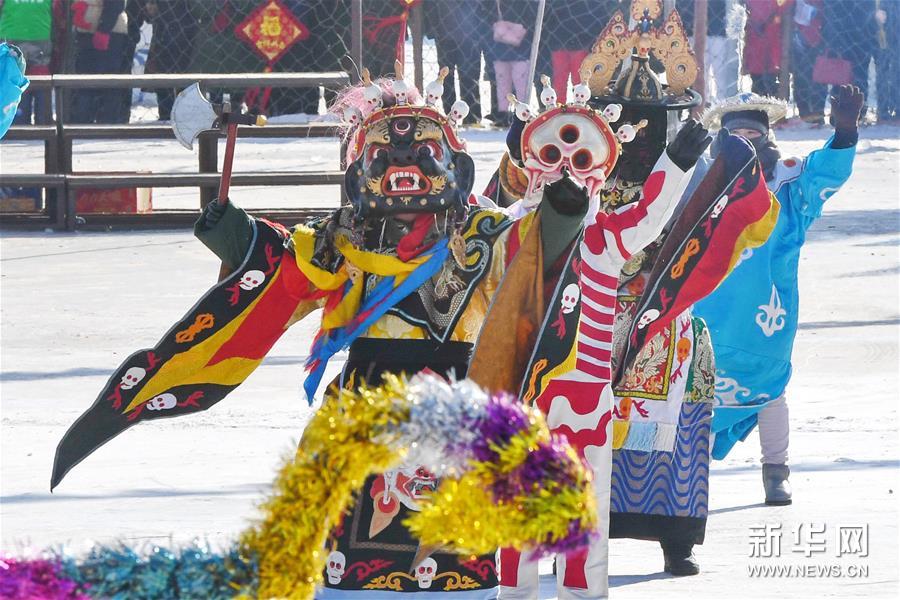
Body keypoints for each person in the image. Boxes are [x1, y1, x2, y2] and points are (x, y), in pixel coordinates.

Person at [51, 69, 591, 598]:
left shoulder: (484, 233)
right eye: (383, 156)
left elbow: (532, 256)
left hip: (456, 397)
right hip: (365, 399)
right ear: (358, 175)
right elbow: (285, 269)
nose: (404, 164)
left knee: (454, 548)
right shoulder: (344, 236)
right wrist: (234, 234)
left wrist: (563, 213)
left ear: (459, 169)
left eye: (426, 152)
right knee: (349, 551)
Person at [694, 85, 864, 505]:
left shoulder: (788, 183)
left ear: (768, 138)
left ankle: (776, 471)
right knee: (695, 391)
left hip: (767, 316)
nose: (745, 144)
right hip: (707, 312)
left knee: (770, 389)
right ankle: (691, 475)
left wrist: (845, 133)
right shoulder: (700, 181)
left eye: (754, 135)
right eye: (736, 136)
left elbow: (825, 172)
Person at [129, 0, 199, 121]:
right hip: (175, 32)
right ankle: (173, 115)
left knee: (169, 76)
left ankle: (170, 115)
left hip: (176, 33)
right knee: (172, 76)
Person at [424, 0, 489, 123]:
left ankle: (471, 116)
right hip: (445, 34)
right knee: (446, 76)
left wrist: (481, 32)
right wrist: (433, 30)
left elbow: (484, 9)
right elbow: (430, 7)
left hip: (470, 36)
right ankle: (449, 116)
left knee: (470, 76)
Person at [69, 0, 130, 124]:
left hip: (108, 32)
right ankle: (84, 121)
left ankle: (106, 122)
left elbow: (115, 4)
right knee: (86, 81)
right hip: (88, 30)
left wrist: (104, 29)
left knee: (107, 81)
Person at [676, 0, 742, 103]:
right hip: (694, 30)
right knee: (700, 73)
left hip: (717, 31)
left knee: (720, 74)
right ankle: (702, 103)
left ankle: (721, 103)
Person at [0, 0, 53, 125]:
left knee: (13, 78)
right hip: (40, 33)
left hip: (11, 33)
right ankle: (43, 123)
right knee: (41, 77)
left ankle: (17, 121)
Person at [488, 0, 538, 125]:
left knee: (515, 83)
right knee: (506, 83)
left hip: (511, 48)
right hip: (509, 48)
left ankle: (518, 114)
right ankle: (507, 114)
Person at [790, 0, 827, 125]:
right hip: (799, 35)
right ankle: (805, 113)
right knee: (801, 76)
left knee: (819, 77)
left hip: (819, 36)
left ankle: (817, 113)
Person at [742, 0, 787, 97]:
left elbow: (784, 7)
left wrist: (769, 20)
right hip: (756, 41)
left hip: (772, 39)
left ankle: (772, 97)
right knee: (757, 80)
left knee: (771, 79)